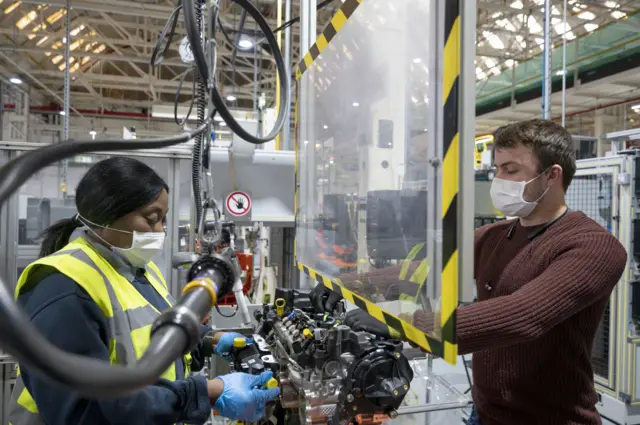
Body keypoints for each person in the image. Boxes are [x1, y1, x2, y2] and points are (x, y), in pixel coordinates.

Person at [317, 119, 628, 425]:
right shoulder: (495, 236)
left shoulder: (594, 247)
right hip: (485, 412)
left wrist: (405, 326)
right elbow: (422, 271)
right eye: (498, 169)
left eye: (511, 170)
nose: (499, 179)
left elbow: (522, 315)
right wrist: (343, 285)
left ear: (551, 176)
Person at [7, 157, 279, 425]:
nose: (159, 231)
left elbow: (149, 334)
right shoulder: (63, 288)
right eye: (151, 219)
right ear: (107, 215)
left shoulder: (138, 269)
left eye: (163, 219)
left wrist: (208, 340)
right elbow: (85, 410)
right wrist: (205, 393)